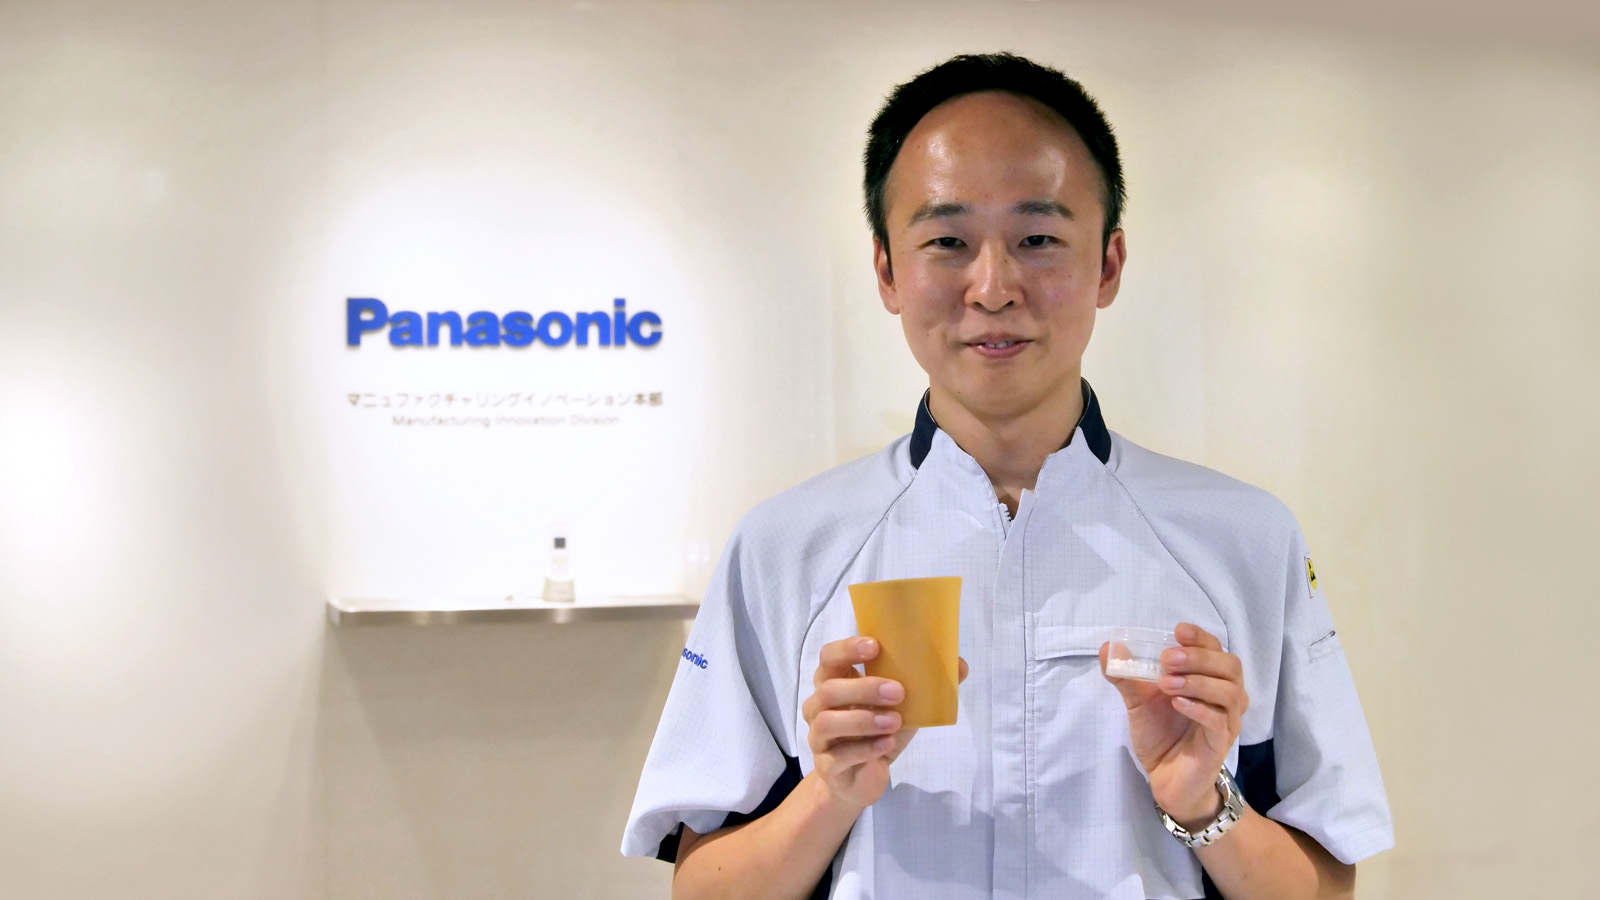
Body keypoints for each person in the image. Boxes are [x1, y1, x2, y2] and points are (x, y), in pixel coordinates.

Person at [621, 52, 1392, 900]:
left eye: (1038, 239)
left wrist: (1202, 801)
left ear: (1108, 265)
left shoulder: (1243, 538)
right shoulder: (786, 547)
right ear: (887, 270)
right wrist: (829, 795)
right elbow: (703, 886)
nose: (993, 289)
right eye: (947, 241)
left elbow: (1327, 886)